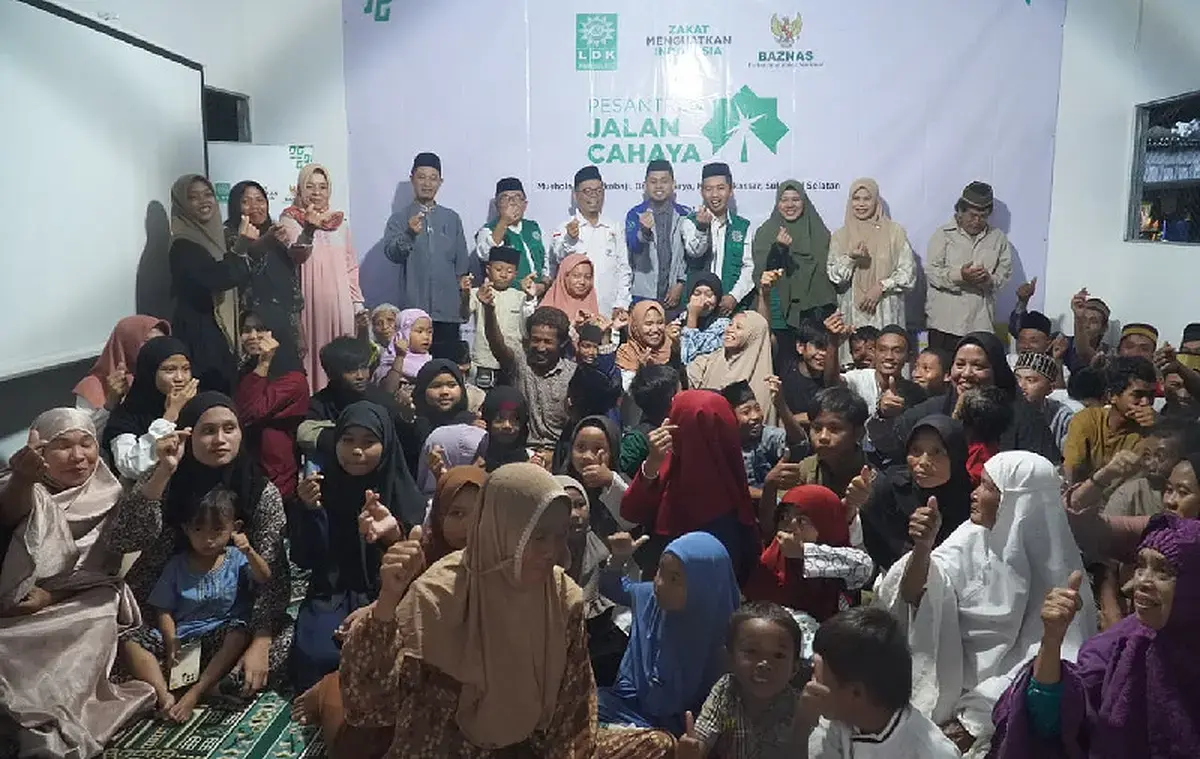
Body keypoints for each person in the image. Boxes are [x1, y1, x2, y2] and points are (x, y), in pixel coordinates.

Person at [339, 463, 675, 758]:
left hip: (529, 746)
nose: (552, 551)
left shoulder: (561, 597)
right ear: (502, 530)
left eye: (559, 536)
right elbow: (369, 706)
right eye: (538, 537)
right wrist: (388, 602)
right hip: (442, 747)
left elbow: (571, 710)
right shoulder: (439, 594)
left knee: (660, 746)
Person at [874, 451, 1097, 755]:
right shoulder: (970, 537)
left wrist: (974, 720)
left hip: (1000, 712)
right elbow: (914, 595)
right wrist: (923, 548)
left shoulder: (1057, 572)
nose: (975, 494)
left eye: (989, 488)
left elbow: (1048, 660)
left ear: (1017, 502)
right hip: (940, 686)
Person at [108, 393, 292, 699]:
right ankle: (197, 685)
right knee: (120, 641)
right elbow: (123, 539)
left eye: (229, 429)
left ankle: (199, 684)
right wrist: (163, 473)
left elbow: (273, 572)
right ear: (188, 435)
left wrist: (261, 640)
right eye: (208, 431)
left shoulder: (259, 490)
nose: (220, 440)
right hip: (165, 608)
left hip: (230, 615)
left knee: (283, 642)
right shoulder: (166, 476)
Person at [0, 409, 156, 756]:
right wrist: (23, 480)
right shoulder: (19, 484)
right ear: (40, 450)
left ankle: (57, 714)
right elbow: (9, 513)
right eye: (63, 446)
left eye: (87, 443)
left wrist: (51, 597)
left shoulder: (108, 491)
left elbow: (106, 571)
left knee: (95, 618)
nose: (78, 456)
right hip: (17, 599)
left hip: (84, 596)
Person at [990, 512, 1200, 759]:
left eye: (1163, 571)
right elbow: (1051, 720)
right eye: (1140, 566)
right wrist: (1052, 639)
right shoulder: (1120, 645)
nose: (1142, 581)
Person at [289, 400, 422, 691]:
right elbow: (306, 558)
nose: (356, 451)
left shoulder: (403, 495)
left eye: (368, 442)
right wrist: (310, 511)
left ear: (386, 445)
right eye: (347, 440)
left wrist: (391, 536)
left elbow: (418, 570)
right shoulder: (321, 489)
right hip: (333, 590)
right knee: (318, 655)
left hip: (390, 593)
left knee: (391, 655)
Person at [123, 487, 271, 722]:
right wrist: (171, 640)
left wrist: (249, 551)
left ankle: (196, 692)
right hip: (183, 639)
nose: (208, 539)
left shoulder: (236, 559)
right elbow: (163, 609)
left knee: (239, 632)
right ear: (186, 529)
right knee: (130, 641)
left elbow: (264, 577)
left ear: (235, 528)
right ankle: (164, 695)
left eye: (217, 530)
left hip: (218, 638)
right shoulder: (177, 565)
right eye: (199, 530)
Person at [597, 531, 741, 734]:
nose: (659, 583)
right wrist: (618, 560)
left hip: (682, 733)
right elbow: (613, 588)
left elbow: (723, 721)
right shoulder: (649, 598)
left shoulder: (729, 642)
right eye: (660, 571)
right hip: (624, 708)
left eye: (674, 579)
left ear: (703, 587)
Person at [620, 390, 761, 582]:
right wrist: (653, 462)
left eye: (674, 417)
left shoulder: (672, 468)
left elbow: (631, 511)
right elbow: (630, 510)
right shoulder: (727, 474)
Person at [868, 332, 1061, 465]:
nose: (966, 374)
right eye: (960, 365)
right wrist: (885, 416)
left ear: (997, 371)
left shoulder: (1023, 417)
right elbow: (887, 447)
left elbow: (1045, 471)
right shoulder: (933, 409)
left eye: (978, 366)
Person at [805, 608, 961, 758]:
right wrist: (802, 723)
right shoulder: (836, 723)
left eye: (818, 676)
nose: (811, 684)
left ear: (856, 693)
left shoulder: (931, 752)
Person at [678, 602, 809, 758]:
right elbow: (702, 739)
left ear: (794, 667)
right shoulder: (725, 691)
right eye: (751, 651)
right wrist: (692, 751)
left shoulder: (798, 708)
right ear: (730, 659)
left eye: (778, 655)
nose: (764, 664)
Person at [276, 164, 364, 392]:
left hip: (340, 305)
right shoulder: (289, 220)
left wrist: (357, 305)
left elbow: (350, 266)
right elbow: (297, 255)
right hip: (310, 305)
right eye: (310, 186)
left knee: (343, 360)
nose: (317, 192)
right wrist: (309, 230)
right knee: (313, 357)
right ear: (299, 189)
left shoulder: (340, 223)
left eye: (323, 187)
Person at [168, 174, 251, 393]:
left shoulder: (215, 238)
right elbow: (216, 279)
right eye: (193, 197)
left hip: (216, 335)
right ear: (182, 204)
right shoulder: (183, 244)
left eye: (208, 194)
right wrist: (240, 248)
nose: (203, 201)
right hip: (200, 337)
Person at [382, 152, 470, 356]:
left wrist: (463, 305)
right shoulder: (400, 218)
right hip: (414, 313)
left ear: (440, 182)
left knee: (447, 367)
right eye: (421, 177)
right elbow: (392, 254)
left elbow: (462, 267)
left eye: (433, 178)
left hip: (448, 314)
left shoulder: (452, 218)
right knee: (415, 368)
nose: (427, 183)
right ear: (412, 178)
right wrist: (409, 234)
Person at [745, 485, 874, 621]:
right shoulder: (771, 560)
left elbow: (864, 567)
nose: (790, 525)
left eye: (802, 520)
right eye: (784, 517)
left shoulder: (837, 559)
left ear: (825, 525)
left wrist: (804, 552)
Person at [861, 415, 974, 571]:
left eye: (937, 452)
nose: (923, 462)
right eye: (916, 450)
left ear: (957, 456)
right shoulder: (888, 490)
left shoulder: (972, 499)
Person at [826, 178, 916, 364]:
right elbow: (835, 276)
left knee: (888, 361)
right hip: (853, 313)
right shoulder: (840, 236)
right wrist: (851, 258)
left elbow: (908, 274)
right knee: (853, 363)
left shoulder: (894, 232)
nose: (861, 204)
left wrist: (881, 286)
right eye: (856, 198)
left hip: (885, 310)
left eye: (866, 199)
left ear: (876, 201)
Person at [557, 474, 631, 688]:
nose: (575, 515)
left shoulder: (602, 551)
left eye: (580, 505)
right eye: (565, 507)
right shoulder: (540, 560)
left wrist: (618, 561)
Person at [923, 182, 1014, 352]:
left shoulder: (998, 238)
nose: (977, 221)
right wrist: (961, 276)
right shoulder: (943, 235)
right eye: (972, 215)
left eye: (983, 216)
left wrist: (988, 280)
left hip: (980, 324)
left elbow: (1005, 275)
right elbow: (932, 273)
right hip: (945, 325)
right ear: (960, 211)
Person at [481, 302, 577, 451]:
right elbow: (497, 345)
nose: (541, 348)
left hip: (559, 453)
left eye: (548, 342)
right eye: (536, 340)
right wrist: (489, 310)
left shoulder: (572, 374)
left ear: (562, 343)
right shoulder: (519, 363)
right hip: (521, 451)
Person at [234, 310, 308, 502]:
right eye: (246, 330)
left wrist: (264, 363)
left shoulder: (293, 379)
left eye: (261, 329)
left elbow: (249, 413)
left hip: (275, 477)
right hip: (244, 471)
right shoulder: (245, 370)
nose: (252, 336)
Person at [102, 336, 198, 480]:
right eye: (169, 370)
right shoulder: (128, 415)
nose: (180, 378)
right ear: (150, 372)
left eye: (186, 369)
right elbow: (130, 467)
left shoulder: (198, 404)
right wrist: (169, 417)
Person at [223, 180, 303, 351]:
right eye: (246, 201)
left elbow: (291, 282)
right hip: (251, 326)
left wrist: (298, 329)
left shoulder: (278, 231)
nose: (255, 207)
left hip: (283, 321)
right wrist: (268, 239)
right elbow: (250, 251)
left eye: (260, 200)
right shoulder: (228, 235)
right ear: (235, 206)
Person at [548, 165, 632, 319]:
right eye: (587, 191)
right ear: (575, 195)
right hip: (574, 312)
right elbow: (558, 259)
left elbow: (623, 268)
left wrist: (621, 303)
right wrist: (570, 239)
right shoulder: (564, 228)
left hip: (608, 310)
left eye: (598, 191)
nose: (594, 196)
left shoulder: (614, 227)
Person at [752, 180, 837, 331]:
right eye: (784, 200)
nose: (790, 205)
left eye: (796, 199)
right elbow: (762, 274)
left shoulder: (819, 232)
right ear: (777, 203)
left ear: (804, 202)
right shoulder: (766, 232)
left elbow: (828, 274)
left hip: (816, 312)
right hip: (778, 314)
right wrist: (779, 249)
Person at [1062, 356, 1158, 483]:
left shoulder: (1153, 429)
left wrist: (1159, 428)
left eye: (1151, 396)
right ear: (1112, 396)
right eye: (1138, 395)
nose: (1146, 402)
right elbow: (1072, 472)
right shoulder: (1087, 420)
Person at [73, 316, 170, 439]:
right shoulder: (93, 385)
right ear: (127, 344)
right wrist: (110, 404)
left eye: (162, 342)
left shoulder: (166, 378)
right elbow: (84, 437)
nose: (158, 349)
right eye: (148, 342)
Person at [681, 163, 756, 314]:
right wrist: (702, 229)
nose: (714, 195)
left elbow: (749, 267)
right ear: (702, 192)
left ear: (731, 190)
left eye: (721, 188)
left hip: (731, 307)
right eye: (708, 189)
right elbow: (695, 252)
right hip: (697, 308)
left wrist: (734, 296)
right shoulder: (690, 222)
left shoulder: (743, 226)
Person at [688, 310, 777, 427]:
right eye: (730, 324)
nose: (730, 330)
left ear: (753, 336)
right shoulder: (708, 361)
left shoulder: (766, 382)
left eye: (738, 327)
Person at [466, 245, 536, 389]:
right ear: (488, 270)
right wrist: (464, 293)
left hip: (512, 363)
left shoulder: (521, 297)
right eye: (498, 269)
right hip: (484, 363)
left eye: (509, 271)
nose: (503, 275)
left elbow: (527, 330)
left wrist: (530, 298)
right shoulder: (478, 292)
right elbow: (463, 314)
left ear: (515, 274)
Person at [625, 159, 690, 306]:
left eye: (664, 181)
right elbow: (632, 247)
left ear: (673, 184)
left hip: (675, 296)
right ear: (645, 185)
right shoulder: (635, 214)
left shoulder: (685, 214)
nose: (659, 186)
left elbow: (690, 256)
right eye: (653, 181)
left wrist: (681, 283)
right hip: (643, 297)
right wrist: (644, 232)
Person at [722, 380, 796, 497]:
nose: (756, 416)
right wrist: (768, 493)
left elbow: (799, 445)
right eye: (746, 412)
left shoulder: (767, 435)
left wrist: (781, 406)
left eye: (757, 409)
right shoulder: (723, 447)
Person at [560, 415, 630, 539]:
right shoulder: (560, 483)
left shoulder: (623, 483)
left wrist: (610, 481)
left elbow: (631, 521)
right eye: (581, 447)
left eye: (597, 448)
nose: (587, 456)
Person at [475, 177, 547, 287]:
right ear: (497, 205)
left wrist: (543, 285)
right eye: (505, 198)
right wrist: (504, 222)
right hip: (508, 295)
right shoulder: (487, 230)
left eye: (517, 197)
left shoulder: (533, 227)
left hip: (538, 292)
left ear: (525, 204)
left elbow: (546, 261)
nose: (512, 203)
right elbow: (485, 254)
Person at [620, 364, 681, 478]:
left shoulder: (682, 427)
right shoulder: (636, 440)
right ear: (671, 400)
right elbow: (620, 477)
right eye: (680, 392)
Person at [1014, 351, 1075, 455]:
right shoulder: (1003, 410)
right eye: (1017, 379)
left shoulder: (1063, 417)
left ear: (1050, 388)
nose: (1021, 385)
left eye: (1030, 380)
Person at [615, 300, 677, 391]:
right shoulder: (627, 353)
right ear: (636, 327)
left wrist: (676, 350)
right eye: (648, 324)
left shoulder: (671, 346)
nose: (655, 329)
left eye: (660, 322)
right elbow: (627, 391)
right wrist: (641, 369)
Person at [410, 359, 478, 442]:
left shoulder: (471, 422)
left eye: (452, 385)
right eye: (436, 386)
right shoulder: (411, 424)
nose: (444, 392)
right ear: (422, 390)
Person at [780, 320, 831, 425]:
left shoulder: (833, 379)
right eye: (819, 346)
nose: (824, 353)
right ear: (800, 347)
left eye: (828, 348)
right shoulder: (785, 372)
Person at [417, 423, 486, 497]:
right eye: (474, 457)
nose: (482, 462)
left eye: (481, 454)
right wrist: (444, 480)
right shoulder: (434, 503)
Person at [378, 308, 434, 391]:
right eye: (420, 331)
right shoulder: (390, 361)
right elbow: (388, 392)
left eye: (429, 332)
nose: (426, 337)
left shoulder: (430, 363)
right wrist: (400, 357)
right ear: (403, 334)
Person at [679, 272, 730, 364]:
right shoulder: (680, 319)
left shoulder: (724, 327)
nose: (702, 300)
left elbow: (690, 359)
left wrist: (692, 317)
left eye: (709, 295)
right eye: (697, 294)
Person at [478, 385, 530, 471]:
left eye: (514, 419)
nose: (507, 425)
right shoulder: (472, 458)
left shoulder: (531, 463)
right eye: (500, 419)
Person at [539, 253, 600, 326]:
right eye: (576, 276)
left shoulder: (592, 303)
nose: (582, 282)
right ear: (564, 277)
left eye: (588, 277)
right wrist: (572, 325)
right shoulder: (547, 308)